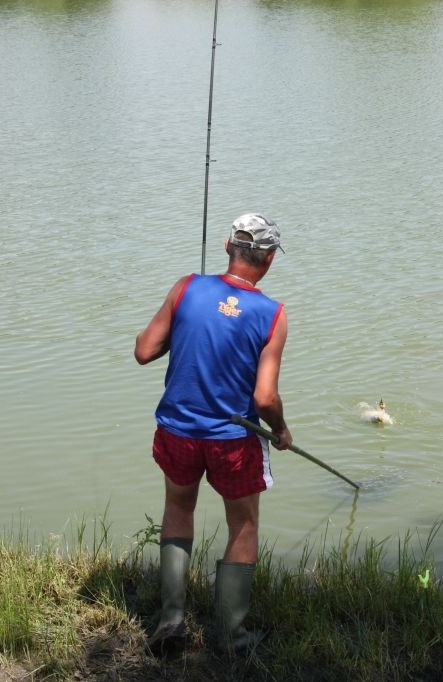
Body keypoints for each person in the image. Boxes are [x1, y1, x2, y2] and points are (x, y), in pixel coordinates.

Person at [134, 213, 292, 655]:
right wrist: (280, 430)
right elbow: (264, 399)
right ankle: (232, 638)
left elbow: (144, 350)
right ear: (270, 258)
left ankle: (170, 624)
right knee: (242, 524)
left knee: (178, 510)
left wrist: (185, 328)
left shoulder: (187, 287)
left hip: (177, 429)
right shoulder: (272, 314)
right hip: (233, 439)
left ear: (227, 245)